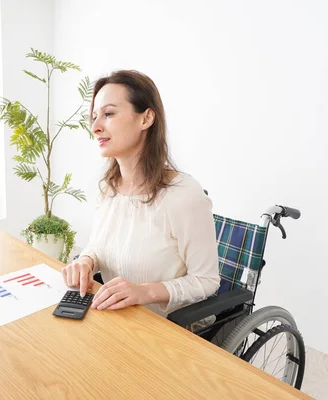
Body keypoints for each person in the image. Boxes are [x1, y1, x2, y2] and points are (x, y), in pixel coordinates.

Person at [61, 70, 220, 318]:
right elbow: (99, 246)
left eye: (109, 114)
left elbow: (206, 280)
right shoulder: (108, 188)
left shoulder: (184, 196)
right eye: (94, 117)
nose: (95, 127)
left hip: (166, 330)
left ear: (146, 119)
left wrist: (145, 292)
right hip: (117, 319)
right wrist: (86, 261)